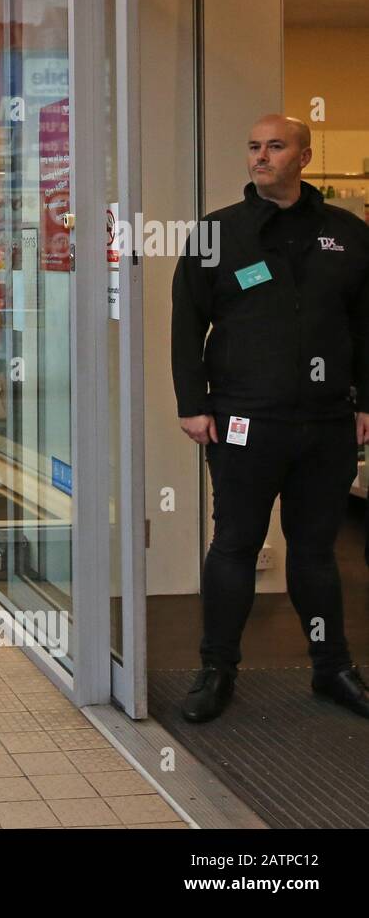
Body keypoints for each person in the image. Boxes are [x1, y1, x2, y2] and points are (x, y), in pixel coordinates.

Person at [172, 114, 369, 723]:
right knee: (234, 546)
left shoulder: (348, 233)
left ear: (304, 157)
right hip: (243, 422)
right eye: (253, 146)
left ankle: (331, 667)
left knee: (314, 552)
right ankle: (216, 669)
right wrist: (192, 404)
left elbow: (364, 327)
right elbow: (185, 325)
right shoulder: (216, 233)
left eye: (275, 146)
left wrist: (364, 402)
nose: (261, 156)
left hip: (327, 424)